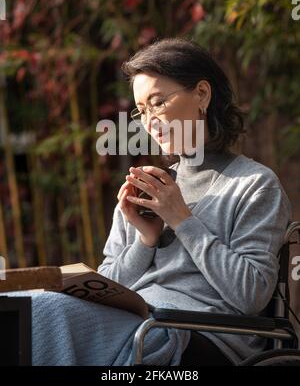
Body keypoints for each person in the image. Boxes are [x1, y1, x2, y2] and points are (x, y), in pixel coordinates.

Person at [98, 37, 292, 365]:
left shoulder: (254, 186)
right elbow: (106, 289)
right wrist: (145, 241)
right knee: (43, 310)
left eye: (158, 102)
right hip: (138, 327)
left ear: (201, 94)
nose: (149, 122)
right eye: (142, 110)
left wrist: (183, 221)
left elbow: (251, 295)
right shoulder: (147, 189)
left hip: (202, 338)